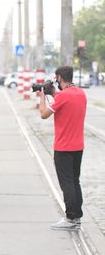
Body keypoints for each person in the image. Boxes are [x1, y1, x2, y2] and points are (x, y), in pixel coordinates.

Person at [39, 66, 87, 230]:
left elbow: (43, 114)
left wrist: (42, 96)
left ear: (59, 78)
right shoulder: (80, 93)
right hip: (78, 146)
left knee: (66, 183)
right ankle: (77, 216)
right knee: (75, 181)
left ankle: (70, 218)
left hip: (63, 147)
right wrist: (53, 94)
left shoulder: (63, 96)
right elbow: (66, 102)